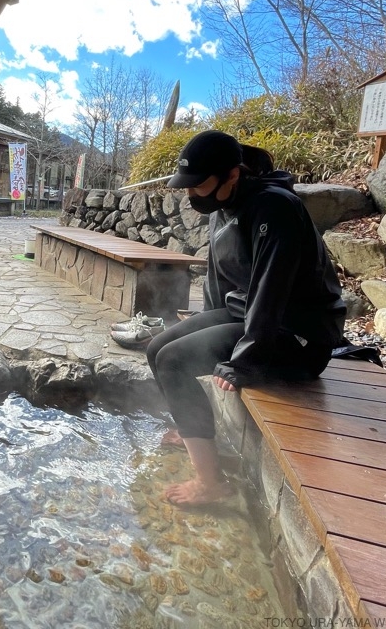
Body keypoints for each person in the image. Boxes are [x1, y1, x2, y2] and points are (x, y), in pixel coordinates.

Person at [147, 130, 345, 506]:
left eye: (197, 184)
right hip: (251, 314)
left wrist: (244, 361)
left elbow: (273, 287)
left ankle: (210, 484)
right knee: (158, 347)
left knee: (175, 360)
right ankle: (194, 433)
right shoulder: (222, 204)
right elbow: (218, 281)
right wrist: (204, 323)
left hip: (298, 334)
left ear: (233, 175)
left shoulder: (276, 207)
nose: (191, 195)